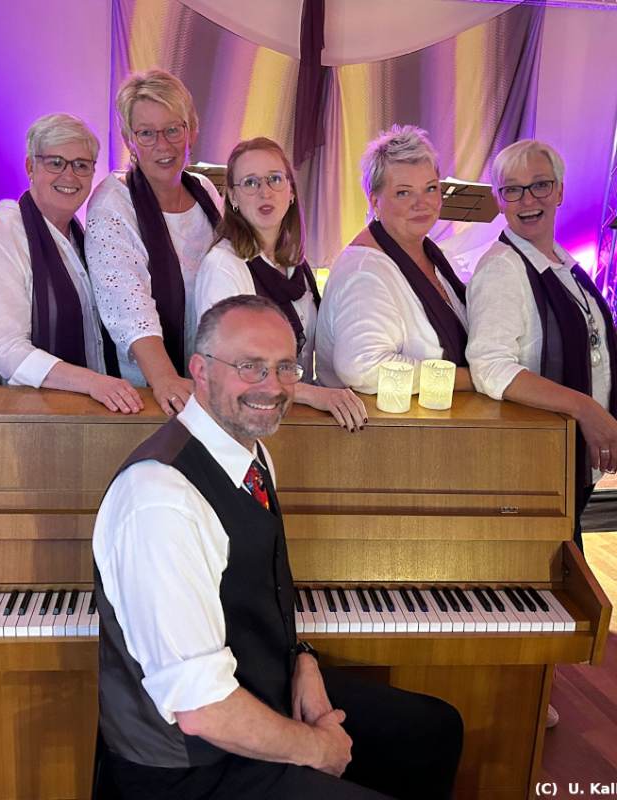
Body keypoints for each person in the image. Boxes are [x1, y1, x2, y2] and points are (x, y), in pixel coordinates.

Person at [93, 294, 464, 800]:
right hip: (193, 767)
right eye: (250, 367)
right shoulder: (160, 499)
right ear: (200, 370)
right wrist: (316, 748)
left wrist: (303, 662)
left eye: (285, 367)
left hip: (257, 687)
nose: (272, 386)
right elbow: (202, 709)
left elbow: (259, 594)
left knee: (434, 729)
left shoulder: (250, 452)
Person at [466, 139, 617, 553]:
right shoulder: (503, 268)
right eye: (513, 189)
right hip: (538, 460)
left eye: (540, 185)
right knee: (559, 567)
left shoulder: (561, 262)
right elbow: (490, 367)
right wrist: (585, 408)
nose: (528, 199)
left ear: (560, 191)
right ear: (499, 200)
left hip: (570, 453)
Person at [0, 114, 143, 414]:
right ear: (30, 167)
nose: (69, 176)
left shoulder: (82, 236)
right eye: (55, 162)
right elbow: (6, 351)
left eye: (81, 165)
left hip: (89, 412)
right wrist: (93, 382)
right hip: (27, 417)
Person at [195, 137, 366, 430]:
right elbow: (231, 369)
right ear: (233, 197)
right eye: (250, 183)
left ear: (290, 191)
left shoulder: (296, 264)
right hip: (241, 423)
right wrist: (314, 395)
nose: (265, 192)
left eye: (274, 179)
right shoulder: (224, 266)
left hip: (290, 416)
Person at [85, 69, 222, 416]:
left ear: (192, 130)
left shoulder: (204, 192)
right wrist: (164, 378)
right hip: (144, 393)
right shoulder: (113, 204)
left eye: (173, 129)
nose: (163, 145)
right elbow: (128, 306)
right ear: (129, 140)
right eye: (146, 133)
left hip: (208, 382)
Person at [315, 125, 473, 395]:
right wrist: (469, 379)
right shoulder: (363, 273)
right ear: (375, 202)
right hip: (379, 422)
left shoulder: (429, 254)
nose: (421, 203)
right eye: (403, 192)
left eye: (430, 188)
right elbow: (361, 367)